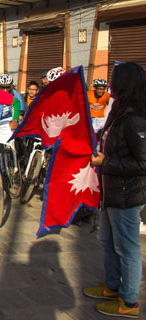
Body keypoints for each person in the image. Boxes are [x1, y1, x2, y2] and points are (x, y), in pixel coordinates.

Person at [85, 62, 145, 319]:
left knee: (127, 247)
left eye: (114, 79)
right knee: (106, 241)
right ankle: (111, 286)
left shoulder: (136, 119)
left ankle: (129, 301)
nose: (109, 84)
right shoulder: (119, 110)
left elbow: (143, 163)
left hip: (127, 195)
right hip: (111, 191)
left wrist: (104, 162)